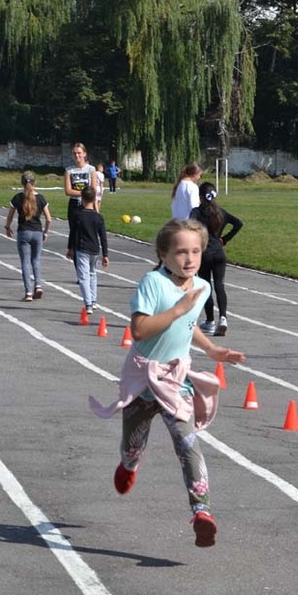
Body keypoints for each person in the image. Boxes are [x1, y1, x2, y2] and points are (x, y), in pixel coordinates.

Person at [102, 218, 245, 548]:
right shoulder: (153, 283)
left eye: (196, 251)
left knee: (187, 442)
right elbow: (139, 330)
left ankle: (202, 513)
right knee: (132, 444)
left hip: (175, 380)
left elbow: (190, 323)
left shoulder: (202, 287)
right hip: (142, 378)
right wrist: (179, 309)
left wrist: (212, 349)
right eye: (181, 252)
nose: (190, 259)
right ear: (163, 255)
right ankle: (129, 464)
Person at [189, 182, 243, 336]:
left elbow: (188, 227)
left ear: (200, 197)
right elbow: (238, 224)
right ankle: (224, 318)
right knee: (220, 285)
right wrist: (225, 239)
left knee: (206, 287)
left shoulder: (196, 213)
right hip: (219, 254)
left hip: (204, 254)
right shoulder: (220, 213)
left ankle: (210, 321)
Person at [5, 171, 52, 302]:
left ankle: (28, 292)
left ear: (22, 183)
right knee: (36, 260)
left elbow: (10, 216)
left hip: (23, 232)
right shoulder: (41, 198)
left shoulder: (18, 198)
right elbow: (49, 219)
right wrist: (46, 232)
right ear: (34, 183)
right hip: (37, 232)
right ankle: (38, 285)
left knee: (25, 262)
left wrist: (7, 227)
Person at [70, 185, 109, 314]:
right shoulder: (98, 217)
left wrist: (70, 248)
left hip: (82, 249)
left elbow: (73, 233)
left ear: (82, 198)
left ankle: (88, 303)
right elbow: (103, 237)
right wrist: (105, 254)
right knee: (92, 274)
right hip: (94, 249)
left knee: (83, 277)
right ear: (94, 199)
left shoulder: (78, 215)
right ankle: (93, 300)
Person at [63, 142, 98, 261]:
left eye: (79, 153)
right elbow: (68, 191)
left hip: (88, 205)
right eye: (74, 153)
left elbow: (93, 189)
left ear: (84, 154)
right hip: (74, 205)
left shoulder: (91, 169)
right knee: (75, 234)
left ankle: (89, 260)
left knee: (88, 233)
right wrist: (85, 193)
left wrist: (94, 206)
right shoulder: (69, 170)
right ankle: (76, 261)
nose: (77, 155)